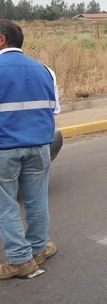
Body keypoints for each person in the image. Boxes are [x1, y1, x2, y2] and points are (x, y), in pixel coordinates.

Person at [0, 20, 59, 279]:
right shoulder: (45, 70)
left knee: (6, 205)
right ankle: (38, 248)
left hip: (4, 148)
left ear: (1, 39)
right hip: (39, 146)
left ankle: (21, 260)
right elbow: (54, 109)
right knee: (37, 201)